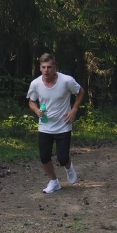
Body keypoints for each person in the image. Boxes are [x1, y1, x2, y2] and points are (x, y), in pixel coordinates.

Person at [27, 53, 85, 193]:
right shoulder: (35, 84)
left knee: (62, 157)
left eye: (49, 67)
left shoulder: (66, 81)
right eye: (43, 67)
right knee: (44, 157)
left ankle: (68, 167)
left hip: (63, 124)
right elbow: (31, 101)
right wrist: (36, 110)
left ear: (55, 67)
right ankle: (54, 182)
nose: (46, 70)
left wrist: (74, 109)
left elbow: (80, 92)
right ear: (40, 68)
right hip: (45, 125)